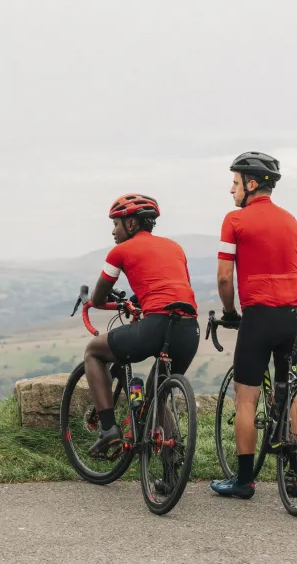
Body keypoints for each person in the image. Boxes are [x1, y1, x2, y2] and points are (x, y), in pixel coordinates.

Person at [210, 151, 297, 500]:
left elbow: (225, 278)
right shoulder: (292, 221)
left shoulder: (234, 221)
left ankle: (243, 482)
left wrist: (230, 311)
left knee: (246, 398)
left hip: (258, 315)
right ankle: (296, 477)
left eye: (235, 182)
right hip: (294, 316)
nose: (231, 190)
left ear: (251, 184)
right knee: (290, 390)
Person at [85, 194, 200, 461]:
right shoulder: (175, 248)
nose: (113, 231)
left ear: (132, 225)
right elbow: (172, 287)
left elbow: (99, 297)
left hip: (154, 326)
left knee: (93, 351)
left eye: (116, 223)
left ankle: (108, 429)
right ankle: (172, 466)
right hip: (188, 328)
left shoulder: (120, 251)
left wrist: (102, 301)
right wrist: (139, 300)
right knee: (157, 393)